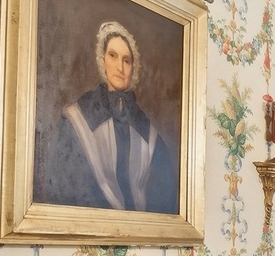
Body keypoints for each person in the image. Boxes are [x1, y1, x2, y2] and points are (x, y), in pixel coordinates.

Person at [39, 21, 179, 213]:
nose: (120, 67)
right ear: (102, 60)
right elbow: (62, 184)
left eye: (127, 60)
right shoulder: (76, 118)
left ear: (133, 68)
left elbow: (166, 192)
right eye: (113, 56)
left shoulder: (146, 129)